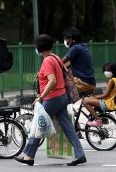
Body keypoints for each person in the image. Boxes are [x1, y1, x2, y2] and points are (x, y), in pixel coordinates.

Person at [14, 34, 86, 166]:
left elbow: (52, 81)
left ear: (39, 47)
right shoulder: (56, 57)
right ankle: (80, 154)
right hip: (62, 96)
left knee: (37, 124)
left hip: (53, 98)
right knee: (68, 127)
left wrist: (41, 97)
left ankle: (29, 156)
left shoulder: (47, 61)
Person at [82, 62, 116, 127]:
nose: (106, 72)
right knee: (92, 100)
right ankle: (103, 118)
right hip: (113, 103)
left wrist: (94, 98)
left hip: (108, 103)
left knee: (85, 101)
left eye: (108, 70)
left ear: (114, 70)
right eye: (105, 70)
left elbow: (105, 95)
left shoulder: (111, 81)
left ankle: (98, 121)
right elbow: (110, 94)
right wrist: (94, 97)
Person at [62, 27, 96, 95]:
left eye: (65, 38)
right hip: (91, 82)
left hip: (82, 82)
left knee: (60, 90)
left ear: (71, 39)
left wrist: (50, 68)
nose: (64, 40)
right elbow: (68, 64)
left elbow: (60, 62)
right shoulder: (83, 46)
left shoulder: (75, 48)